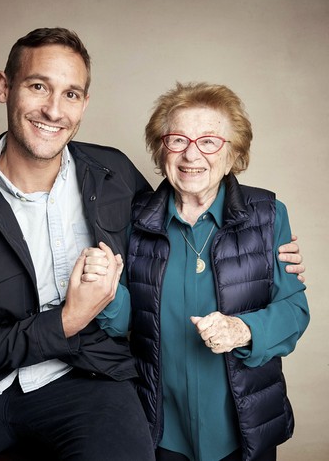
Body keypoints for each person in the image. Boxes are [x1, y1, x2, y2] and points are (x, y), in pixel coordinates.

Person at [0, 28, 304, 461]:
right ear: (4, 86)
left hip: (90, 378)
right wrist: (68, 319)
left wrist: (264, 244)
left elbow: (175, 225)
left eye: (70, 94)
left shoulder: (115, 175)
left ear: (84, 103)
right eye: (38, 87)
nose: (53, 110)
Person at [86, 82, 309, 461]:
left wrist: (243, 329)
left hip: (243, 425)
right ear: (161, 148)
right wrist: (103, 290)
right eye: (177, 140)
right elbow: (125, 322)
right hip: (159, 425)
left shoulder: (268, 215)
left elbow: (294, 311)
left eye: (209, 141)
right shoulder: (133, 219)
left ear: (233, 153)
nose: (191, 155)